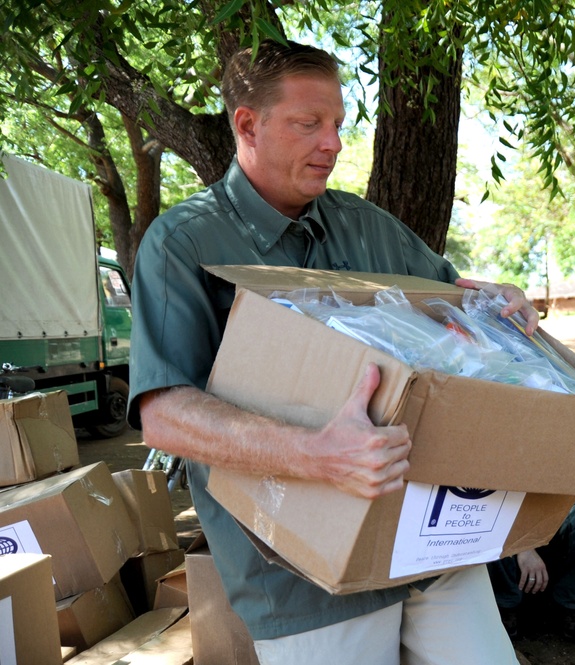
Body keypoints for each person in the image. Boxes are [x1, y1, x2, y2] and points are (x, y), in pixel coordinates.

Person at [127, 40, 541, 664]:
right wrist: (315, 455)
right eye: (308, 124)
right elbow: (164, 414)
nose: (333, 143)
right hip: (300, 576)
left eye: (339, 124)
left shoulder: (369, 226)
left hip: (424, 545)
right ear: (247, 124)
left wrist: (500, 301)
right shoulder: (181, 244)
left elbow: (452, 300)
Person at [488, 486, 575, 643]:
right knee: (487, 517)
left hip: (550, 527)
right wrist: (525, 547)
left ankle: (568, 602)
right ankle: (505, 604)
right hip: (509, 528)